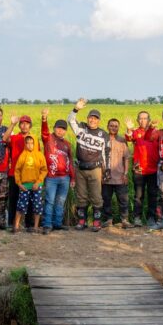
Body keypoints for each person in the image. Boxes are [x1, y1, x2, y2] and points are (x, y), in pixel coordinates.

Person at [68, 98, 111, 232]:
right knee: (81, 196)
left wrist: (107, 170)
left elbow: (106, 153)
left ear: (99, 121)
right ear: (87, 118)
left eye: (95, 118)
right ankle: (82, 221)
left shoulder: (103, 134)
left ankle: (96, 222)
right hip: (80, 168)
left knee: (96, 196)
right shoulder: (81, 128)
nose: (92, 120)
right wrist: (76, 109)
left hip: (95, 169)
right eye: (91, 118)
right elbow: (70, 120)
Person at [40, 110, 75, 234]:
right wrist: (44, 119)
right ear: (54, 128)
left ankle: (57, 224)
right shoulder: (48, 139)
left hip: (65, 178)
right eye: (58, 128)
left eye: (63, 129)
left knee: (60, 201)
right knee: (49, 201)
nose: (60, 130)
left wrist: (72, 178)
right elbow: (44, 132)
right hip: (51, 177)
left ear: (66, 131)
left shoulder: (67, 144)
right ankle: (47, 224)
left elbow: (70, 161)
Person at [124, 111, 159, 227]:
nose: (143, 120)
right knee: (139, 195)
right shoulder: (136, 132)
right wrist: (129, 129)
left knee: (153, 194)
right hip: (139, 169)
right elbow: (129, 138)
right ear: (137, 120)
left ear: (149, 120)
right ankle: (137, 218)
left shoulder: (156, 132)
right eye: (140, 118)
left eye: (145, 118)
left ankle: (151, 218)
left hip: (153, 169)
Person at [102, 118, 133, 229]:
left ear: (118, 128)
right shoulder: (102, 140)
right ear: (107, 126)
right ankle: (108, 220)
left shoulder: (122, 140)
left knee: (123, 199)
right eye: (111, 126)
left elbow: (126, 158)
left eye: (116, 126)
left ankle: (124, 220)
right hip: (106, 177)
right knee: (106, 199)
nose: (113, 128)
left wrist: (125, 173)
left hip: (120, 176)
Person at [13, 135, 47, 233]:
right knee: (21, 205)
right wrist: (19, 183)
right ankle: (16, 226)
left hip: (36, 185)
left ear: (35, 144)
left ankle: (36, 226)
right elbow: (17, 170)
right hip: (25, 185)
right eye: (27, 143)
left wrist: (38, 182)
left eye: (32, 143)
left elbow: (44, 170)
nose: (29, 145)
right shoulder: (23, 155)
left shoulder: (40, 155)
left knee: (37, 205)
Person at [7, 114, 32, 227]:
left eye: (27, 123)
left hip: (29, 175)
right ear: (19, 125)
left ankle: (29, 224)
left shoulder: (33, 139)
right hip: (14, 174)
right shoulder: (14, 138)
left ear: (30, 126)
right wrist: (12, 124)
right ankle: (11, 224)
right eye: (22, 123)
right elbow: (4, 139)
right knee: (13, 199)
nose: (24, 126)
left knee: (30, 200)